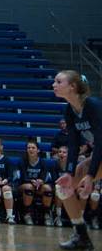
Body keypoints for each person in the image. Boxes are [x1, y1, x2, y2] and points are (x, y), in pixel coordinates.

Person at [53, 70, 102, 249]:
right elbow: (73, 145)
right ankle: (82, 236)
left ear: (72, 86)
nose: (54, 85)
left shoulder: (94, 105)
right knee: (63, 187)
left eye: (58, 82)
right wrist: (68, 172)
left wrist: (89, 175)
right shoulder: (69, 110)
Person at [20, 140, 55, 226]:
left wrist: (41, 181)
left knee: (47, 188)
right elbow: (22, 176)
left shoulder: (43, 162)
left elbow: (44, 176)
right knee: (29, 187)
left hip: (38, 186)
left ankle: (47, 214)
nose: (30, 149)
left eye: (33, 148)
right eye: (28, 148)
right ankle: (27, 214)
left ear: (38, 150)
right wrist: (31, 181)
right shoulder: (22, 161)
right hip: (24, 185)